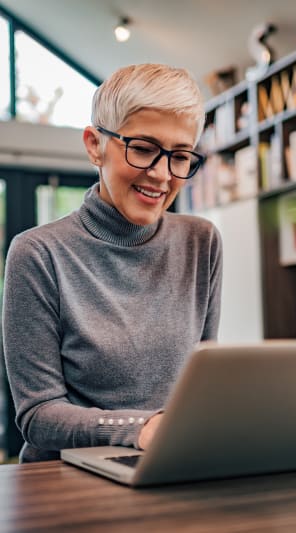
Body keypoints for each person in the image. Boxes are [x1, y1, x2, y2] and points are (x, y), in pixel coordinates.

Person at [2, 63, 223, 462]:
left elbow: (202, 383)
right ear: (94, 145)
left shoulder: (200, 242)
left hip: (169, 465)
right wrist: (140, 430)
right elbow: (38, 416)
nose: (161, 175)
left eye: (180, 156)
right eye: (142, 149)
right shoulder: (37, 254)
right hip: (64, 482)